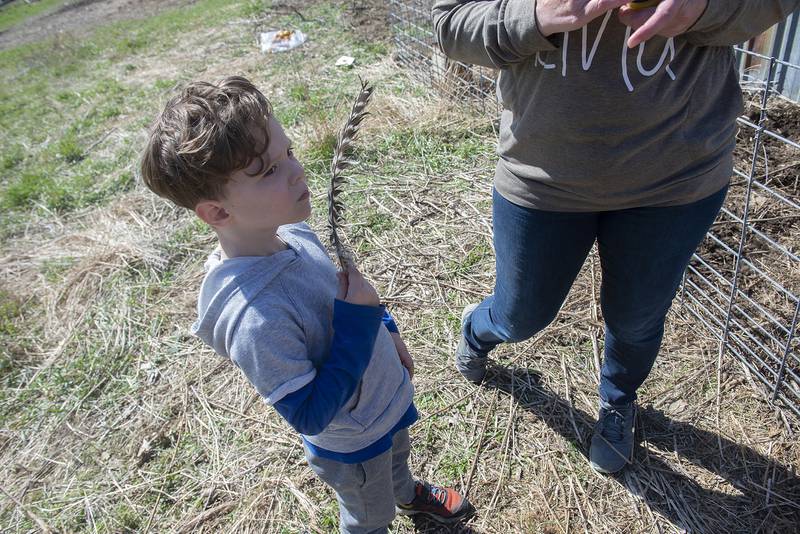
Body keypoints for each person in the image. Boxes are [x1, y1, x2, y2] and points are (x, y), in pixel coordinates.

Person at [432, 0, 800, 474]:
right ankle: (480, 330)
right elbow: (449, 24)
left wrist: (706, 8)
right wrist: (538, 14)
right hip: (543, 175)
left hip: (676, 178)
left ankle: (619, 400)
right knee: (522, 314)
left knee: (637, 317)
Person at [139, 76, 474, 533]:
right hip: (354, 443)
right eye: (269, 171)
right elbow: (310, 413)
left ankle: (407, 492)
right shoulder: (256, 318)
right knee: (367, 514)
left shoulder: (290, 230)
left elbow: (346, 295)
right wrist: (360, 322)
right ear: (217, 212)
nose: (297, 171)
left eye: (288, 153)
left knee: (399, 455)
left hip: (385, 401)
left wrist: (387, 328)